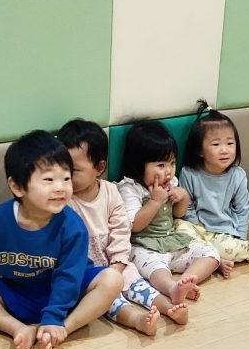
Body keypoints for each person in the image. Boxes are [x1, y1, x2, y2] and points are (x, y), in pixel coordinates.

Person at [0, 130, 123, 349]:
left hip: (67, 295)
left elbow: (69, 277)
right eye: (48, 180)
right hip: (18, 294)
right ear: (17, 187)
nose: (60, 187)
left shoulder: (73, 226)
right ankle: (19, 329)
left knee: (113, 279)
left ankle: (61, 329)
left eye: (66, 178)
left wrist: (54, 317)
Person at [57, 118, 188, 332]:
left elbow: (121, 230)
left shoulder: (110, 192)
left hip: (116, 262)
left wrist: (118, 264)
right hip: (86, 272)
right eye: (61, 168)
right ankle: (137, 320)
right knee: (110, 299)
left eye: (73, 170)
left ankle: (169, 307)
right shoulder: (64, 200)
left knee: (138, 284)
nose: (65, 177)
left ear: (99, 167)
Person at [176, 101, 249, 279]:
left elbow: (242, 209)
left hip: (225, 232)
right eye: (216, 144)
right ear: (199, 150)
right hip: (197, 229)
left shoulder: (237, 175)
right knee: (178, 229)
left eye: (230, 143)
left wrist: (241, 238)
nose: (224, 150)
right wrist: (198, 229)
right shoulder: (189, 173)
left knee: (227, 247)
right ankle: (216, 259)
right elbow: (187, 207)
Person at [117, 120, 222, 304]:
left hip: (171, 241)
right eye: (161, 165)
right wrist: (155, 201)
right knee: (156, 269)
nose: (169, 171)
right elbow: (135, 226)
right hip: (143, 246)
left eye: (172, 163)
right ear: (139, 165)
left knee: (212, 254)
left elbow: (178, 214)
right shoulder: (130, 188)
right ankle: (171, 288)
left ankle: (185, 282)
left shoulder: (171, 182)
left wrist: (183, 197)